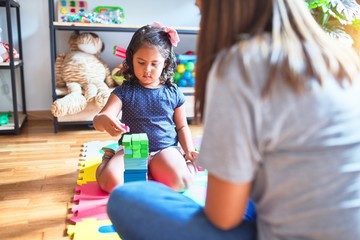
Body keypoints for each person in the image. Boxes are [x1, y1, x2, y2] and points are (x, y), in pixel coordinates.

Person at [106, 0, 360, 239]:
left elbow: (223, 217)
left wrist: (191, 156)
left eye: (202, 11)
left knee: (126, 198)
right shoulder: (337, 57)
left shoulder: (240, 66)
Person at [93, 22, 198, 193]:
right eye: (141, 62)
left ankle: (189, 165)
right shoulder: (124, 91)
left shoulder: (173, 92)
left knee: (181, 183)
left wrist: (189, 151)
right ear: (132, 59)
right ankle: (107, 159)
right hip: (131, 149)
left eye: (154, 64)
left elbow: (182, 126)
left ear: (165, 63)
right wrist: (104, 120)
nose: (147, 70)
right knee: (110, 183)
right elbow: (99, 120)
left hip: (164, 149)